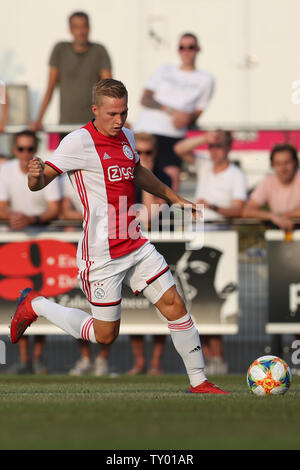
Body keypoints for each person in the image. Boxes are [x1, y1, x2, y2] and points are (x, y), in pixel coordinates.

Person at [10, 78, 229, 394]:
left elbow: (137, 171)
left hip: (135, 241)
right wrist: (33, 178)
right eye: (112, 114)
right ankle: (37, 305)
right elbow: (41, 181)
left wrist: (173, 197)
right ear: (95, 109)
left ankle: (200, 382)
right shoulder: (77, 142)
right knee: (105, 335)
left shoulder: (126, 135)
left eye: (123, 113)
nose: (119, 120)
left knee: (174, 303)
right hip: (101, 253)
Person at [175, 130, 247, 374]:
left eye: (219, 146)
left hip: (218, 240)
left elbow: (239, 209)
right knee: (197, 303)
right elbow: (180, 149)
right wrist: (206, 137)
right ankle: (207, 358)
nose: (214, 150)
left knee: (213, 300)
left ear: (228, 147)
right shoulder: (204, 165)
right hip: (198, 237)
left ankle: (219, 357)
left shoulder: (235, 174)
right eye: (212, 146)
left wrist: (212, 207)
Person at [0, 130, 61, 373]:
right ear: (16, 150)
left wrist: (32, 218)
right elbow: (2, 207)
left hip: (45, 239)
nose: (26, 154)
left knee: (43, 298)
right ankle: (25, 358)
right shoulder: (5, 171)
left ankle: (36, 358)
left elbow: (54, 209)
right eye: (21, 149)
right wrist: (14, 217)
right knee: (20, 302)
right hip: (17, 243)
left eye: (29, 149)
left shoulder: (47, 168)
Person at [134, 32, 214, 193]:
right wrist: (171, 111)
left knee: (171, 182)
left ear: (198, 49)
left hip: (173, 136)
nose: (186, 51)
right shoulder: (164, 70)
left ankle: (165, 217)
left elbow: (197, 113)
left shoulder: (206, 79)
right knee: (139, 177)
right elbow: (144, 99)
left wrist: (185, 119)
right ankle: (137, 217)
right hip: (146, 131)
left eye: (190, 47)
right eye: (182, 47)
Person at [127, 132, 171, 375]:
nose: (143, 157)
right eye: (138, 153)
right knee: (135, 310)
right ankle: (139, 362)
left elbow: (150, 217)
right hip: (132, 250)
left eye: (148, 153)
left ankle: (155, 363)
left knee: (161, 306)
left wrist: (146, 179)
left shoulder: (162, 177)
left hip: (158, 249)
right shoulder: (124, 176)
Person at [60, 174, 111, 376]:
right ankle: (86, 359)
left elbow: (111, 212)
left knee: (109, 309)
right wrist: (93, 218)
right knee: (78, 304)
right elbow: (64, 212)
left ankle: (101, 360)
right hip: (82, 247)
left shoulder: (101, 170)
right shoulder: (66, 177)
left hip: (105, 247)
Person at [30, 11, 112, 130]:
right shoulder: (60, 49)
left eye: (84, 26)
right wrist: (39, 120)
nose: (81, 31)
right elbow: (51, 87)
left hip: (94, 125)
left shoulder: (99, 51)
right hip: (66, 125)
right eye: (76, 27)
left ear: (89, 28)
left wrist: (114, 118)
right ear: (70, 29)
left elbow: (109, 89)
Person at [242, 143, 300, 231]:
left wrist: (281, 217)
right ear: (272, 165)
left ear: (296, 162)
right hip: (278, 236)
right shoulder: (268, 181)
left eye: (287, 162)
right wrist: (273, 216)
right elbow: (247, 211)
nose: (283, 168)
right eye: (278, 164)